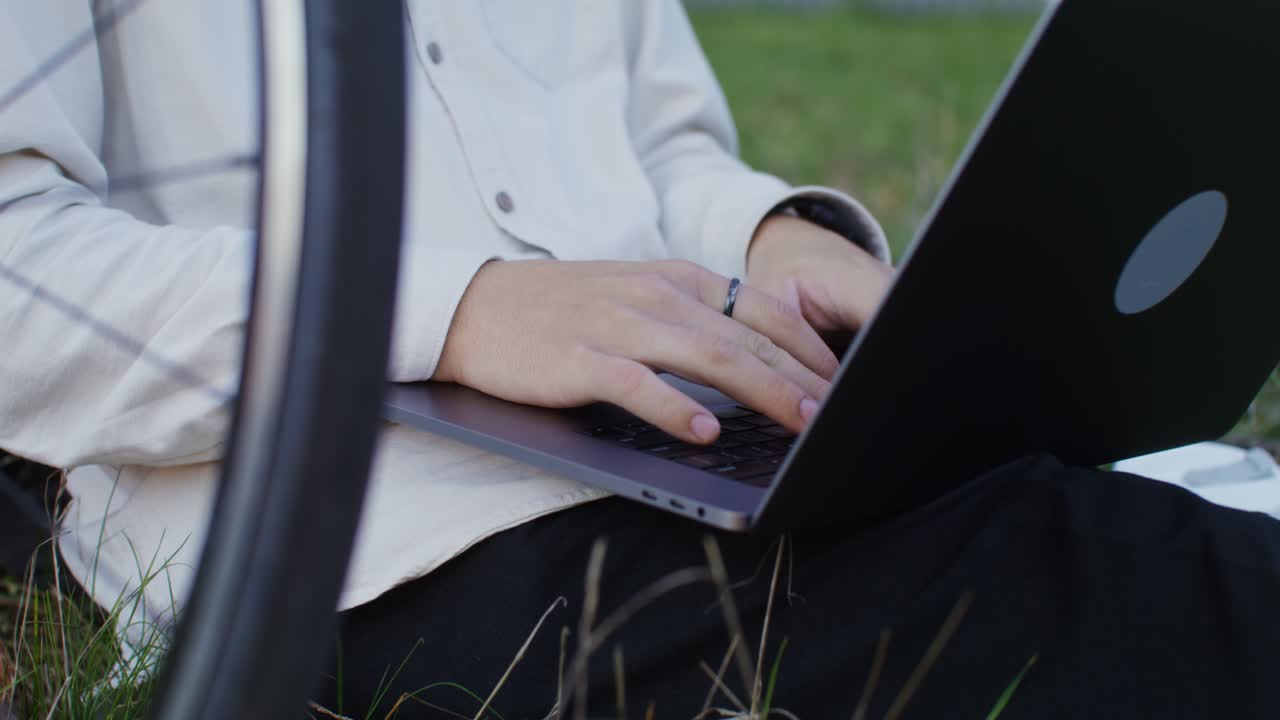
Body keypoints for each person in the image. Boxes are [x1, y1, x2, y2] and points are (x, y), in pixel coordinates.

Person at [2, 1, 1279, 717]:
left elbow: (662, 147)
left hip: (694, 423)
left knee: (1062, 510)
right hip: (386, 526)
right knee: (1131, 588)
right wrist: (461, 310)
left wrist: (772, 235)